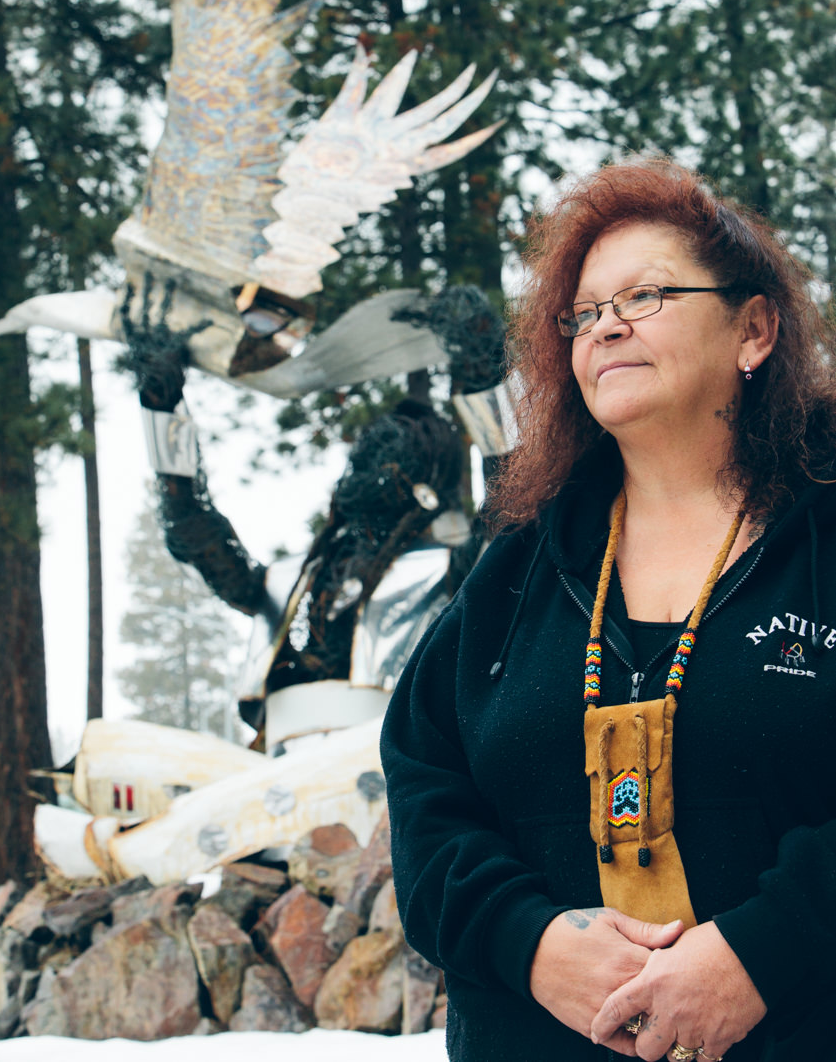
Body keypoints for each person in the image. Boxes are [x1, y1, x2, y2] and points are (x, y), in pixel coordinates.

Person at [380, 157, 836, 1062]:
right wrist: (530, 943)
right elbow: (425, 789)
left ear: (753, 330)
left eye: (645, 295)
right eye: (584, 313)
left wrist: (761, 951)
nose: (605, 327)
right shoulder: (517, 566)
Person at [120, 280, 509, 751]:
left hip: (388, 781)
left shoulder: (445, 575)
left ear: (429, 485)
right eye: (368, 453)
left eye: (398, 459)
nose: (375, 464)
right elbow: (192, 530)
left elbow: (510, 513)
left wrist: (485, 373)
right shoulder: (290, 583)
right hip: (283, 776)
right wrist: (160, 400)